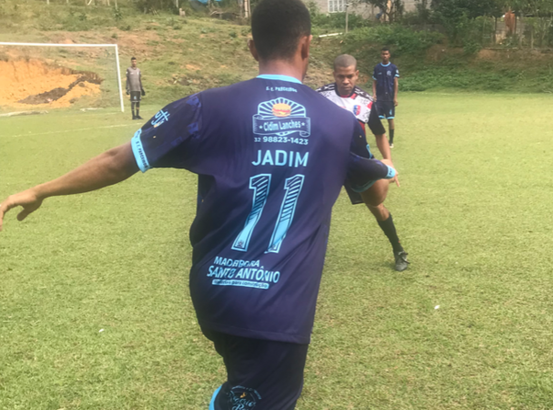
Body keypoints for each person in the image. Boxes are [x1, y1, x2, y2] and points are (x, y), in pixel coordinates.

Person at [0, 0, 397, 408]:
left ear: (252, 47)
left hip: (215, 291)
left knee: (241, 387)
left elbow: (118, 160)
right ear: (307, 46)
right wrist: (381, 170)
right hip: (276, 307)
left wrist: (40, 190)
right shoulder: (339, 124)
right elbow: (375, 194)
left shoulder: (204, 107)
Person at [317, 54, 409, 271]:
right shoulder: (320, 96)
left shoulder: (365, 101)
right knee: (315, 207)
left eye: (350, 76)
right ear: (334, 75)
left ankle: (398, 250)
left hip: (358, 163)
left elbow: (379, 133)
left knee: (376, 205)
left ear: (357, 75)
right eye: (341, 76)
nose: (345, 81)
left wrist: (388, 161)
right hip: (327, 163)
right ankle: (305, 256)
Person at [372, 47, 399, 148]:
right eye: (383, 54)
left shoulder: (393, 68)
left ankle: (391, 141)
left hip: (389, 98)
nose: (385, 56)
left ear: (389, 55)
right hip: (379, 98)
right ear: (381, 55)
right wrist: (374, 94)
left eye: (386, 54)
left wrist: (395, 97)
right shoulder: (377, 68)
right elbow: (374, 82)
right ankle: (381, 138)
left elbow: (396, 83)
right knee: (378, 120)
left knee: (390, 119)